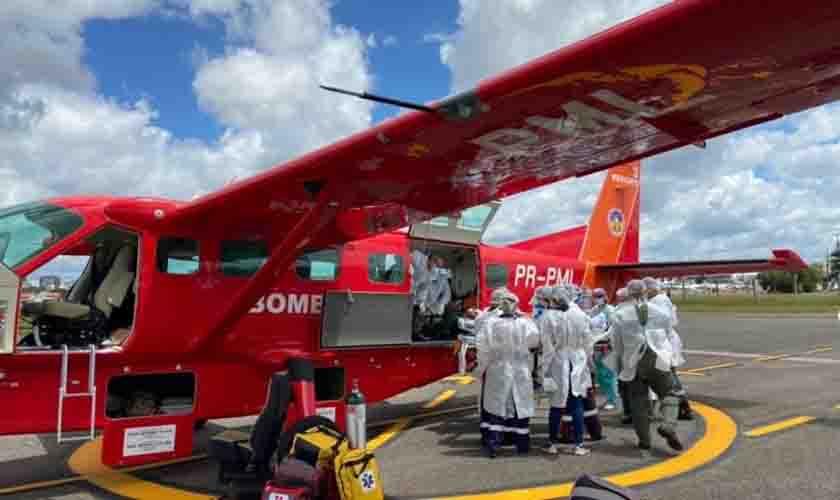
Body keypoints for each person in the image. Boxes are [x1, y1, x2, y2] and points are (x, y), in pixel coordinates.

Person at [611, 279, 683, 455]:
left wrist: (621, 364)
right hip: (657, 357)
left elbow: (617, 345)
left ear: (628, 293)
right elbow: (667, 335)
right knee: (670, 393)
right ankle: (668, 425)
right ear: (645, 292)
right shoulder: (660, 312)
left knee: (638, 402)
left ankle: (644, 441)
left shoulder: (619, 315)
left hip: (633, 360)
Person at [475, 290, 540, 458]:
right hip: (520, 370)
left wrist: (480, 370)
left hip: (498, 370)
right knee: (520, 407)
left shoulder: (490, 324)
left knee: (496, 408)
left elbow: (483, 349)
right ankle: (522, 446)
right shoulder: (526, 323)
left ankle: (493, 446)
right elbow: (534, 342)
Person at [539, 286, 594, 456]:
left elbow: (547, 346)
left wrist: (544, 368)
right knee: (576, 402)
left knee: (556, 404)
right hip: (576, 360)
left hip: (558, 361)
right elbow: (588, 341)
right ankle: (578, 444)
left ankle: (552, 443)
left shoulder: (548, 316)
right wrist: (587, 360)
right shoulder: (580, 315)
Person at [643, 277, 694, 421]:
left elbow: (666, 321)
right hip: (662, 341)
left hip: (665, 342)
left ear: (652, 288)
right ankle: (681, 406)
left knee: (669, 375)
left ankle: (683, 407)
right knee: (668, 374)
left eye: (646, 288)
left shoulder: (659, 300)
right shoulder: (658, 300)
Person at [590, 288, 618, 411]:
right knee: (600, 375)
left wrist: (604, 337)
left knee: (608, 373)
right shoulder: (594, 310)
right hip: (596, 344)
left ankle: (612, 399)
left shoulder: (611, 310)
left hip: (607, 345)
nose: (597, 299)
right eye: (595, 296)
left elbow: (612, 328)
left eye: (599, 296)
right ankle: (608, 397)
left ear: (604, 296)